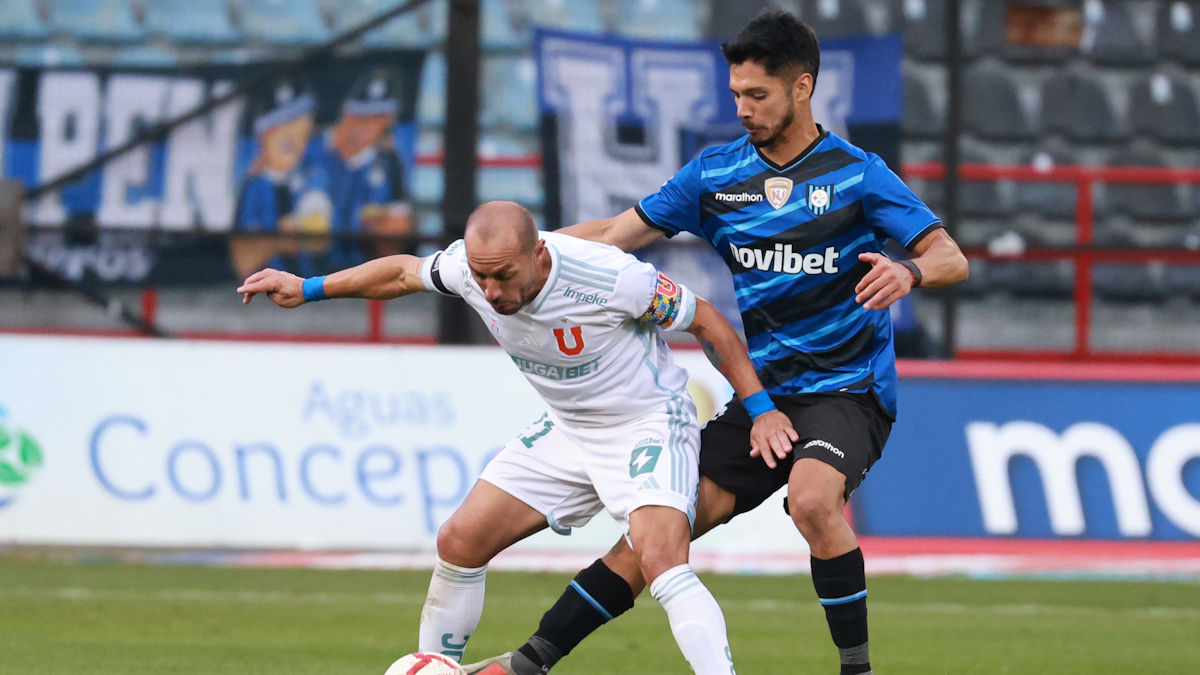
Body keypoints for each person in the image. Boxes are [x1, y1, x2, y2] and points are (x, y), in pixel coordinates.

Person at [463, 10, 969, 675]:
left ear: (802, 87)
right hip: (764, 399)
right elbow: (618, 232)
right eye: (736, 94)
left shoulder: (857, 174)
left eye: (757, 94)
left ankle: (857, 670)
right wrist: (526, 251)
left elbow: (951, 256)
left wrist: (909, 269)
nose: (743, 108)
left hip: (848, 391)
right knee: (657, 533)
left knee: (814, 500)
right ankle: (528, 662)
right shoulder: (716, 176)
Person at [236, 200, 797, 675]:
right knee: (459, 541)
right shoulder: (470, 269)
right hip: (569, 427)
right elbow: (405, 273)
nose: (490, 290)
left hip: (645, 421)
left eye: (503, 275)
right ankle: (439, 667)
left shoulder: (611, 277)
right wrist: (308, 287)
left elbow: (708, 323)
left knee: (661, 560)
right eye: (481, 277)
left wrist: (762, 407)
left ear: (540, 254)